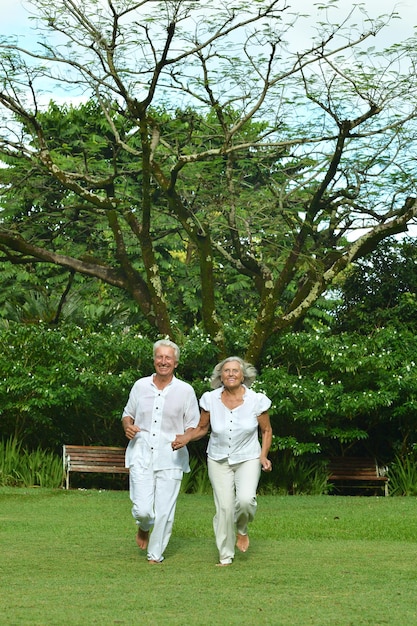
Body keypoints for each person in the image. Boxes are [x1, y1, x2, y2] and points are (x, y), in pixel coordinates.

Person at [173, 356, 273, 566]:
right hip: (218, 459)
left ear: (243, 375)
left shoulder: (257, 400)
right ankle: (225, 556)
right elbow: (202, 428)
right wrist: (185, 438)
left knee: (245, 500)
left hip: (248, 457)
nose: (230, 374)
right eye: (226, 371)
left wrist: (263, 455)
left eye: (235, 371)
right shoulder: (210, 399)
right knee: (224, 508)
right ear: (220, 376)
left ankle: (242, 529)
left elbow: (266, 430)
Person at [122, 339, 200, 564]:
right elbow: (127, 414)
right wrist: (128, 426)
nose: (163, 361)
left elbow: (193, 426)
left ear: (175, 363)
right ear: (154, 360)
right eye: (159, 357)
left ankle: (155, 555)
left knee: (165, 510)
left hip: (171, 457)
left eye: (168, 358)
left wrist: (186, 437)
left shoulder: (186, 391)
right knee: (144, 510)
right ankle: (144, 525)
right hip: (141, 452)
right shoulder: (140, 386)